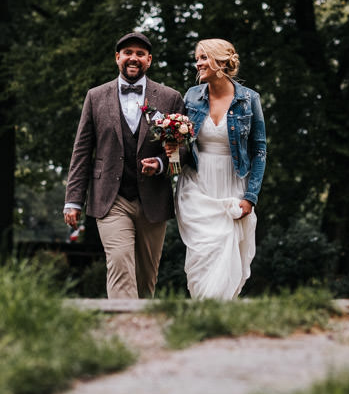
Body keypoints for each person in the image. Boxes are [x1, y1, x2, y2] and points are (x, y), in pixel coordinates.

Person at [63, 32, 185, 298]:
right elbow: (82, 150)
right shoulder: (95, 97)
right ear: (117, 58)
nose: (133, 58)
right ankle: (122, 330)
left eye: (140, 54)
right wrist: (73, 200)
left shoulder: (170, 97)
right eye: (127, 52)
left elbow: (182, 151)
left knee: (145, 278)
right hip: (110, 198)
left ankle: (143, 333)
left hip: (153, 197)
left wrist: (162, 165)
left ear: (149, 60)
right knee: (119, 263)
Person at [169, 38, 266, 299]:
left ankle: (217, 313)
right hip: (197, 184)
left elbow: (259, 151)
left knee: (227, 252)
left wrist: (250, 197)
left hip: (233, 185)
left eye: (203, 58)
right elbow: (182, 147)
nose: (197, 63)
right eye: (197, 57)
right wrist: (172, 151)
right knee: (201, 254)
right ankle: (203, 309)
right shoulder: (191, 96)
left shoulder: (249, 100)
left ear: (221, 61)